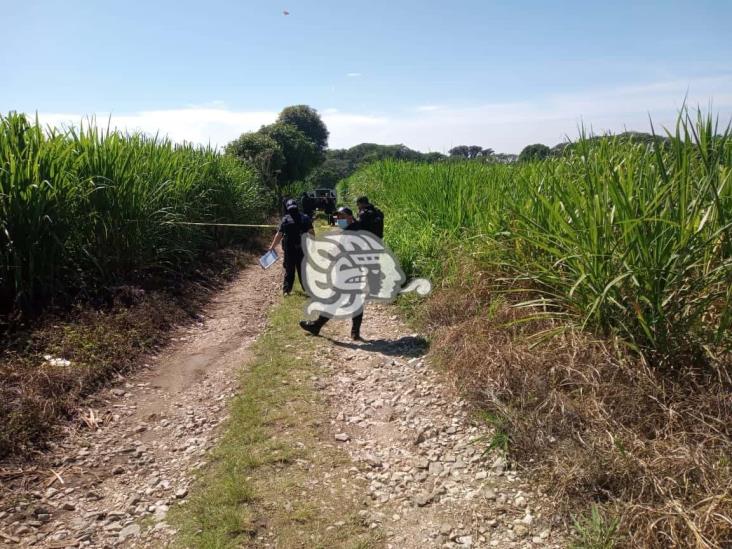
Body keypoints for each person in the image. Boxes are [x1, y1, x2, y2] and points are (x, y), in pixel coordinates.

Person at [299, 206, 364, 340]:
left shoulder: (356, 230)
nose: (339, 219)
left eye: (342, 217)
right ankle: (355, 332)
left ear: (350, 217)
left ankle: (317, 326)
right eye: (338, 217)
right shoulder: (349, 229)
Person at [269, 198, 314, 295]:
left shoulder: (285, 219)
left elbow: (279, 235)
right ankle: (307, 290)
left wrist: (272, 246)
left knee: (289, 270)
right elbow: (312, 233)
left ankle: (286, 291)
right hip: (303, 248)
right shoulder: (305, 218)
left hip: (289, 249)